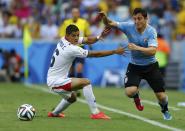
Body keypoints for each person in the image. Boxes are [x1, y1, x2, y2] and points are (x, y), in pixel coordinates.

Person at [99, 8, 172, 120]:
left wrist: (136, 47)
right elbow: (109, 23)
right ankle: (136, 97)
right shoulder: (128, 26)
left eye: (139, 18)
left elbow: (152, 51)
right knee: (129, 92)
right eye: (135, 19)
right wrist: (104, 17)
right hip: (135, 66)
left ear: (146, 19)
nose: (137, 21)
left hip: (151, 66)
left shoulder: (151, 31)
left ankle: (165, 109)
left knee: (161, 96)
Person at [47, 24, 124, 120]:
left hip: (55, 79)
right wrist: (114, 51)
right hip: (55, 81)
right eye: (73, 35)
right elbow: (96, 54)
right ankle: (95, 113)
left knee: (72, 98)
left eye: (77, 35)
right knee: (86, 82)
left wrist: (99, 37)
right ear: (67, 35)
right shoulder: (71, 48)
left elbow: (87, 40)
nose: (76, 38)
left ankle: (54, 113)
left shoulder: (64, 39)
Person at [58, 8, 92, 96]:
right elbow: (62, 35)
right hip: (69, 49)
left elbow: (88, 34)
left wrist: (90, 43)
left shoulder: (84, 22)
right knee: (71, 69)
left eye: (76, 12)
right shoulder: (66, 23)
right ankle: (72, 89)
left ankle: (78, 88)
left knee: (79, 68)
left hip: (80, 47)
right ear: (71, 14)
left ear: (79, 13)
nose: (75, 14)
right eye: (73, 13)